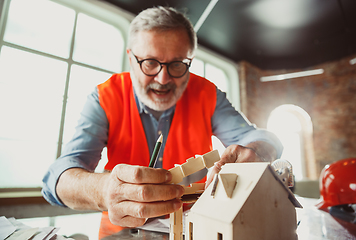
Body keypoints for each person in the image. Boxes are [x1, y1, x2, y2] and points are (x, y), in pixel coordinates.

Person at [42, 6, 283, 238]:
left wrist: (258, 151)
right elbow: (58, 177)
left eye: (177, 64)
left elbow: (257, 138)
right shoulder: (105, 97)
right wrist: (105, 190)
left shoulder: (208, 95)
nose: (163, 78)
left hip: (195, 229)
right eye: (149, 62)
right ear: (130, 58)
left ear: (190, 60)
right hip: (121, 234)